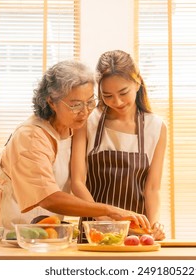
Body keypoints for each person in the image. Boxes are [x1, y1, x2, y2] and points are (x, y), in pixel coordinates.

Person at [0, 60, 151, 232]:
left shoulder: (73, 128)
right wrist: (110, 210)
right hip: (12, 229)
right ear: (51, 102)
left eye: (90, 102)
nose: (84, 111)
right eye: (75, 104)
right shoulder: (31, 137)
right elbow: (49, 198)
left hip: (46, 232)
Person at [71, 50, 167, 242]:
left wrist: (154, 225)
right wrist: (102, 219)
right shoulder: (89, 120)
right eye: (108, 95)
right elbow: (77, 182)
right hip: (94, 230)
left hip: (138, 233)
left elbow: (152, 188)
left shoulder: (156, 126)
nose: (118, 102)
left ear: (137, 82)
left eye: (123, 93)